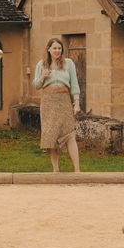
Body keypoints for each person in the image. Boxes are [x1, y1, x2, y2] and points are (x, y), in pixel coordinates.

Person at [33, 38, 81, 172]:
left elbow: (74, 84)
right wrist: (43, 76)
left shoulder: (69, 63)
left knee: (70, 134)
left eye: (59, 48)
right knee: (51, 136)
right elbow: (36, 85)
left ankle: (77, 170)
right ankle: (56, 170)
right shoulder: (41, 65)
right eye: (54, 48)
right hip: (48, 102)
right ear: (48, 49)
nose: (57, 51)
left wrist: (76, 103)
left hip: (64, 100)